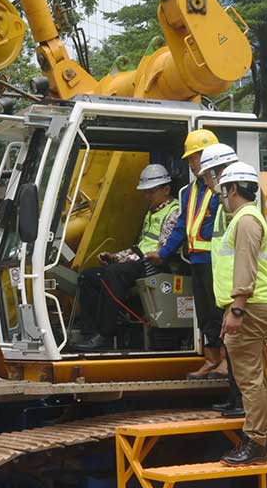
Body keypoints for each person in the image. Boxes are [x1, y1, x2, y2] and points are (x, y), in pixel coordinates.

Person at [212, 161, 267, 466]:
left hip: (248, 308)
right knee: (255, 376)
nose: (221, 195)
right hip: (252, 306)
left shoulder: (246, 220)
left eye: (223, 189)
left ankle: (255, 443)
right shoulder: (246, 218)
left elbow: (245, 267)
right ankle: (259, 436)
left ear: (233, 188)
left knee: (249, 378)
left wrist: (236, 308)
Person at [74, 164, 180, 351]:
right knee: (88, 276)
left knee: (114, 274)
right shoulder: (151, 213)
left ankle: (106, 334)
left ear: (166, 189)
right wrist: (115, 256)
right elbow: (140, 245)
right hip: (139, 260)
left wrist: (125, 260)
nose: (147, 197)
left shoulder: (173, 212)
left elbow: (161, 251)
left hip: (152, 265)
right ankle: (89, 333)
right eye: (145, 192)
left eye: (151, 192)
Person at [146, 129, 224, 379]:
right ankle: (211, 360)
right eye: (190, 159)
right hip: (197, 261)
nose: (192, 163)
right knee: (205, 314)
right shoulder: (190, 191)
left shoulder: (224, 189)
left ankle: (225, 360)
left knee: (219, 312)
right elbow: (182, 226)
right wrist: (164, 253)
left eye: (196, 157)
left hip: (218, 262)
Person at [196, 143, 246, 416]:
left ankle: (240, 403)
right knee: (232, 348)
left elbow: (244, 257)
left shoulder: (237, 209)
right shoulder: (224, 205)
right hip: (227, 291)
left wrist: (238, 303)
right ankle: (233, 398)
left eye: (207, 175)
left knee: (239, 354)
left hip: (237, 294)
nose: (205, 180)